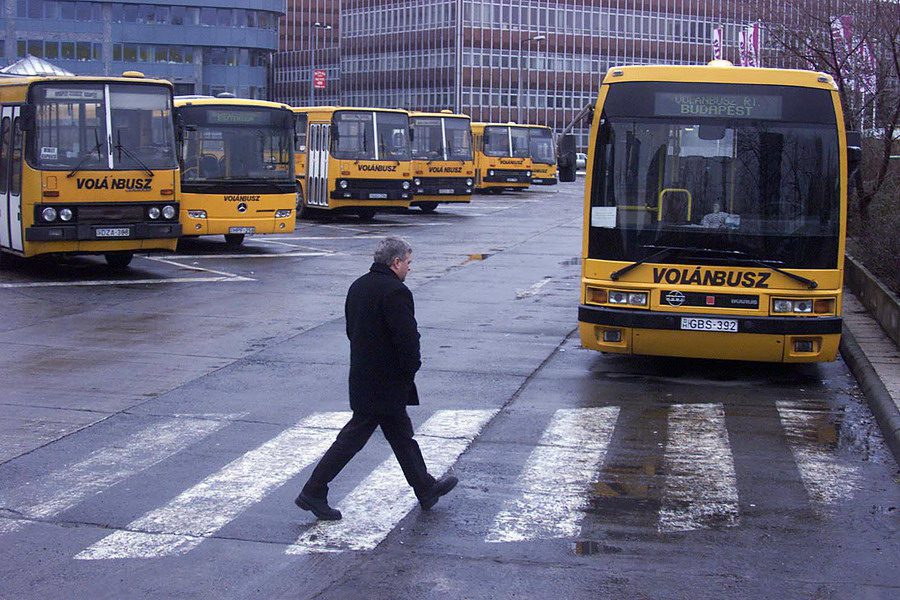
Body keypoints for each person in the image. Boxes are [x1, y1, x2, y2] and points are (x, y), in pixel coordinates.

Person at [295, 237, 458, 520]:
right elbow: (407, 339)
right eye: (408, 262)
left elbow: (351, 330)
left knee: (400, 435)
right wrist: (410, 370)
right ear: (396, 263)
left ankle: (425, 488)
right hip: (387, 380)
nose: (410, 268)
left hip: (364, 375)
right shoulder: (396, 291)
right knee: (354, 438)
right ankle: (313, 490)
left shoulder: (358, 286)